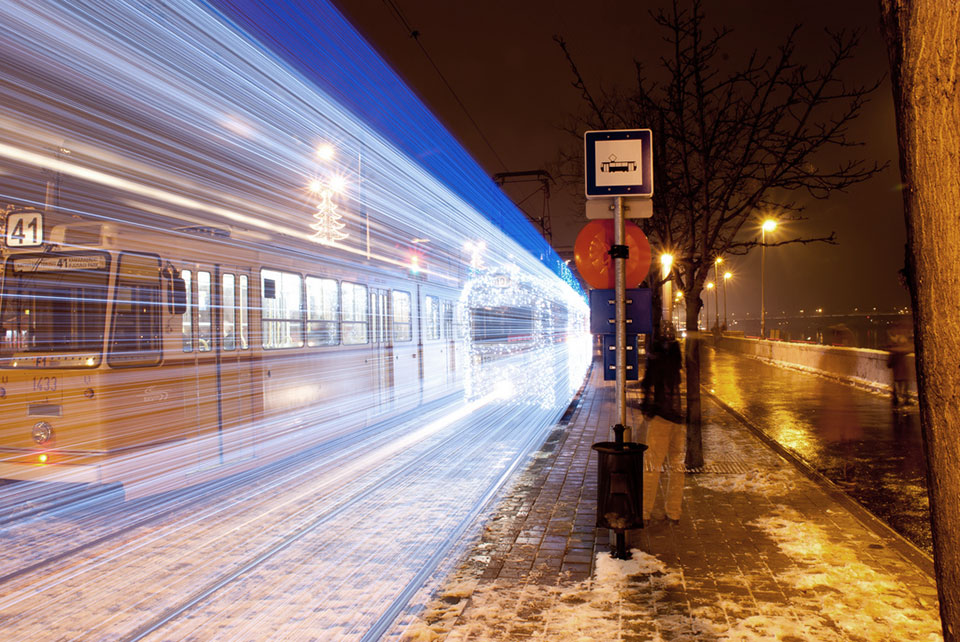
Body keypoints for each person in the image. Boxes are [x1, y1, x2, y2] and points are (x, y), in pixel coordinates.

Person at [640, 340, 686, 524]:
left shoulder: (656, 363)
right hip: (678, 420)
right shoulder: (678, 365)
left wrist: (647, 411)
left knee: (651, 467)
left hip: (661, 420)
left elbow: (648, 389)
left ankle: (644, 512)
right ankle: (674, 512)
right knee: (676, 468)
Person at [886, 332, 911, 408]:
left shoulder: (893, 352)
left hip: (897, 375)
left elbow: (889, 364)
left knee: (898, 390)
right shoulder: (903, 351)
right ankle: (905, 402)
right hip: (904, 374)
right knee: (904, 389)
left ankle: (899, 404)